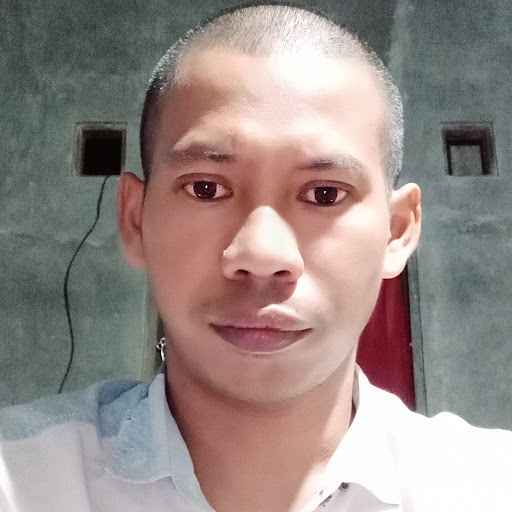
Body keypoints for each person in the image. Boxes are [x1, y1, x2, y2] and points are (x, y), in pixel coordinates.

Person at [1, 4, 511, 512]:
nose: (262, 255)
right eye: (205, 188)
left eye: (325, 194)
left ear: (396, 232)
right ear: (135, 219)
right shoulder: (21, 481)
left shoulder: (489, 490)